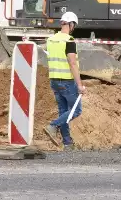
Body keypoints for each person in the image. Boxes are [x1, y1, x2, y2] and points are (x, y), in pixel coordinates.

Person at [43, 11, 86, 150]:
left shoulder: (50, 40)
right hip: (67, 81)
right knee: (76, 110)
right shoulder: (69, 41)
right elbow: (72, 63)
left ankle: (67, 143)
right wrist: (79, 84)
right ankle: (53, 125)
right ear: (71, 24)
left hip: (54, 80)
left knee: (63, 111)